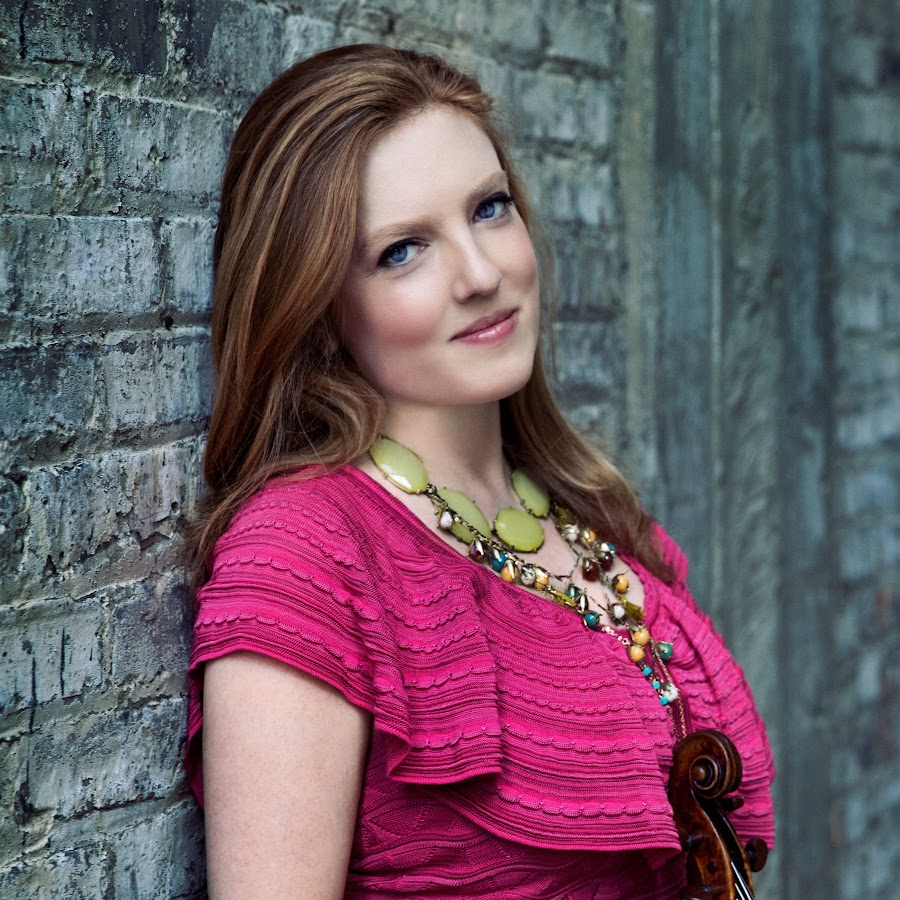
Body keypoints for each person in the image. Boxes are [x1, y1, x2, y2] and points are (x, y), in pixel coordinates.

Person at [186, 43, 775, 899]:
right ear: (318, 304)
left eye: (489, 209)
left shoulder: (595, 517)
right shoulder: (302, 556)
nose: (482, 274)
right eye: (402, 250)